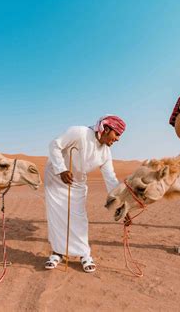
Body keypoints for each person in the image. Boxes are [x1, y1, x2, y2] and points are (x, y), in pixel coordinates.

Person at [44, 115, 126, 273]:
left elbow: (110, 179)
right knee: (56, 217)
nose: (117, 139)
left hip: (77, 183)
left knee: (79, 217)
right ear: (106, 129)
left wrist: (121, 204)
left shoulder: (105, 153)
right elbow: (54, 145)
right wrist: (61, 169)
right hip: (56, 177)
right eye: (117, 134)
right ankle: (57, 252)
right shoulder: (79, 132)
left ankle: (84, 253)